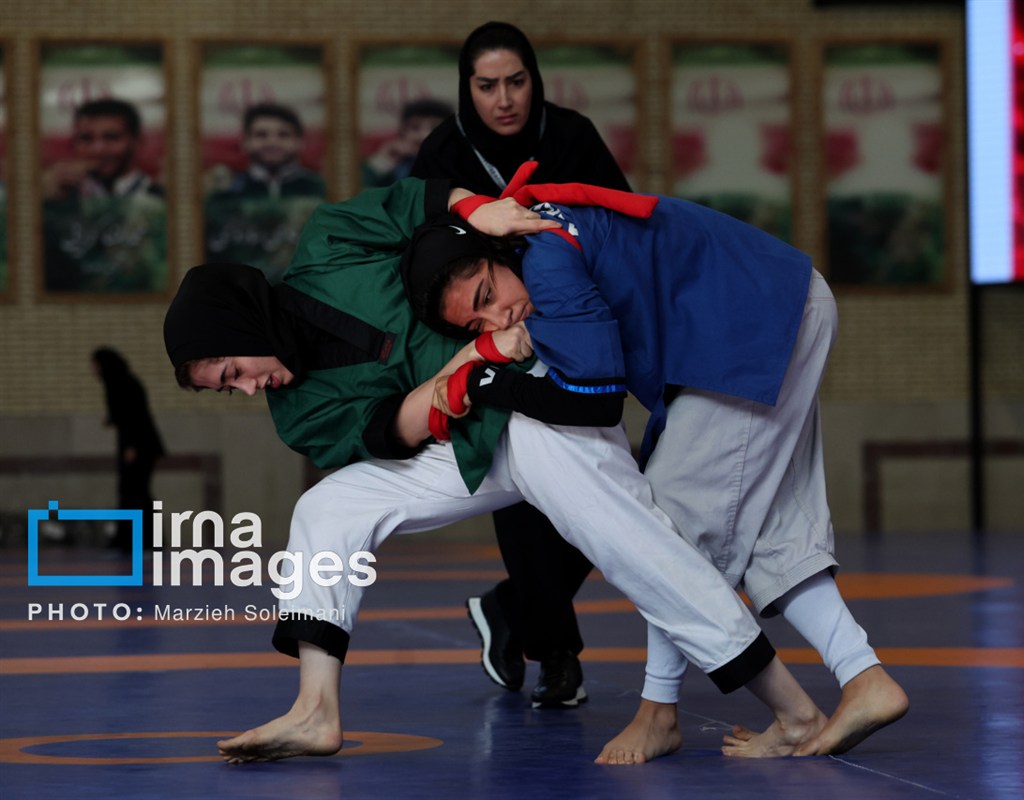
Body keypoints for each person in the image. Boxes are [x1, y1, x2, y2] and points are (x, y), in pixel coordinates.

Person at [163, 179, 834, 764]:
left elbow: (420, 199)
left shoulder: (330, 242)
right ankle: (315, 709)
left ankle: (793, 708)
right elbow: (391, 431)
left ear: (242, 326)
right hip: (463, 439)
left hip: (534, 405)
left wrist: (477, 210)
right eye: (228, 389)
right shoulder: (296, 413)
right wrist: (473, 359)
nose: (246, 388)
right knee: (326, 508)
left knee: (631, 542)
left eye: (234, 371)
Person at [400, 173, 910, 763]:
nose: (499, 315)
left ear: (496, 250)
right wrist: (496, 353)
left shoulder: (545, 261)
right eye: (478, 321)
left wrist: (486, 382)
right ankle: (864, 677)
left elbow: (594, 401)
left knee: (665, 526)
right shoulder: (538, 236)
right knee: (774, 533)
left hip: (752, 330)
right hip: (777, 307)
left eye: (489, 293)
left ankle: (659, 712)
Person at [411, 21, 631, 708]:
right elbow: (420, 258)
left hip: (577, 328)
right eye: (487, 85)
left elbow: (620, 227)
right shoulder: (444, 153)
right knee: (526, 498)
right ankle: (558, 658)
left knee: (616, 488)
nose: (503, 99)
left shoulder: (569, 136)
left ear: (534, 79)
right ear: (466, 89)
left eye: (516, 81)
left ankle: (510, 607)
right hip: (496, 334)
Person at [41, 98, 167, 292]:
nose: (98, 149)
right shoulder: (57, 202)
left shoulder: (164, 200)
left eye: (111, 138)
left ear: (137, 142)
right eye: (86, 139)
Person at [204, 102, 327, 283]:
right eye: (261, 135)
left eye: (283, 135)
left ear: (300, 142)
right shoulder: (223, 197)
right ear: (245, 142)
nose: (272, 142)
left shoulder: (321, 191)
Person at [91, 347, 165, 551]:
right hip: (136, 444)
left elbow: (136, 416)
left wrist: (132, 445)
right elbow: (125, 414)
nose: (93, 370)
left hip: (139, 445)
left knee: (136, 493)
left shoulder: (122, 383)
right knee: (132, 492)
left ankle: (144, 540)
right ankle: (130, 539)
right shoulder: (117, 382)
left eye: (96, 365)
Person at [361, 98, 453, 188]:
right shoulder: (396, 166)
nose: (423, 135)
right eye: (415, 128)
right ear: (403, 132)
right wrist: (384, 160)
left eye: (434, 128)